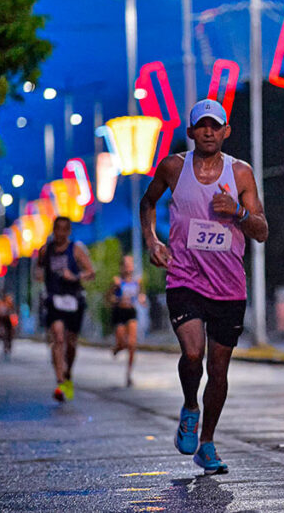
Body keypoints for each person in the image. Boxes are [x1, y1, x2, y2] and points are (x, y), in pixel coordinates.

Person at [141, 98, 268, 475]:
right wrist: (153, 241)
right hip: (185, 279)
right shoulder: (173, 168)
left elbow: (261, 231)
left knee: (219, 370)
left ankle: (207, 442)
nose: (209, 131)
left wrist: (239, 213)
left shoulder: (241, 174)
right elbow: (148, 203)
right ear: (191, 132)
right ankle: (189, 407)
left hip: (229, 287)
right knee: (193, 353)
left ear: (226, 131)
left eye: (216, 125)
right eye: (202, 126)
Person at [34, 216, 95, 402]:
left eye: (63, 229)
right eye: (56, 229)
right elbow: (37, 271)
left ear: (68, 231)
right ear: (53, 230)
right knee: (58, 337)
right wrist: (39, 277)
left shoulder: (75, 250)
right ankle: (60, 381)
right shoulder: (46, 250)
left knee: (70, 342)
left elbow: (91, 273)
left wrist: (74, 277)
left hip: (74, 300)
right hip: (54, 300)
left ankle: (68, 372)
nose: (59, 233)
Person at [107, 254, 145, 387]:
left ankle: (129, 374)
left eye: (131, 264)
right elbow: (109, 298)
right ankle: (117, 348)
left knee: (132, 344)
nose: (129, 267)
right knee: (123, 343)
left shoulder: (137, 281)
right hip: (119, 313)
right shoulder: (117, 281)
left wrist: (141, 299)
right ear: (121, 267)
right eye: (126, 264)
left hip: (131, 312)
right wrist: (117, 299)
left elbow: (141, 295)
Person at [0, 292, 17, 360]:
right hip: (4, 323)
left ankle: (9, 349)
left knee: (10, 338)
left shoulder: (12, 307)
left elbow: (14, 316)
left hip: (10, 324)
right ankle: (5, 349)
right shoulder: (2, 306)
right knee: (5, 337)